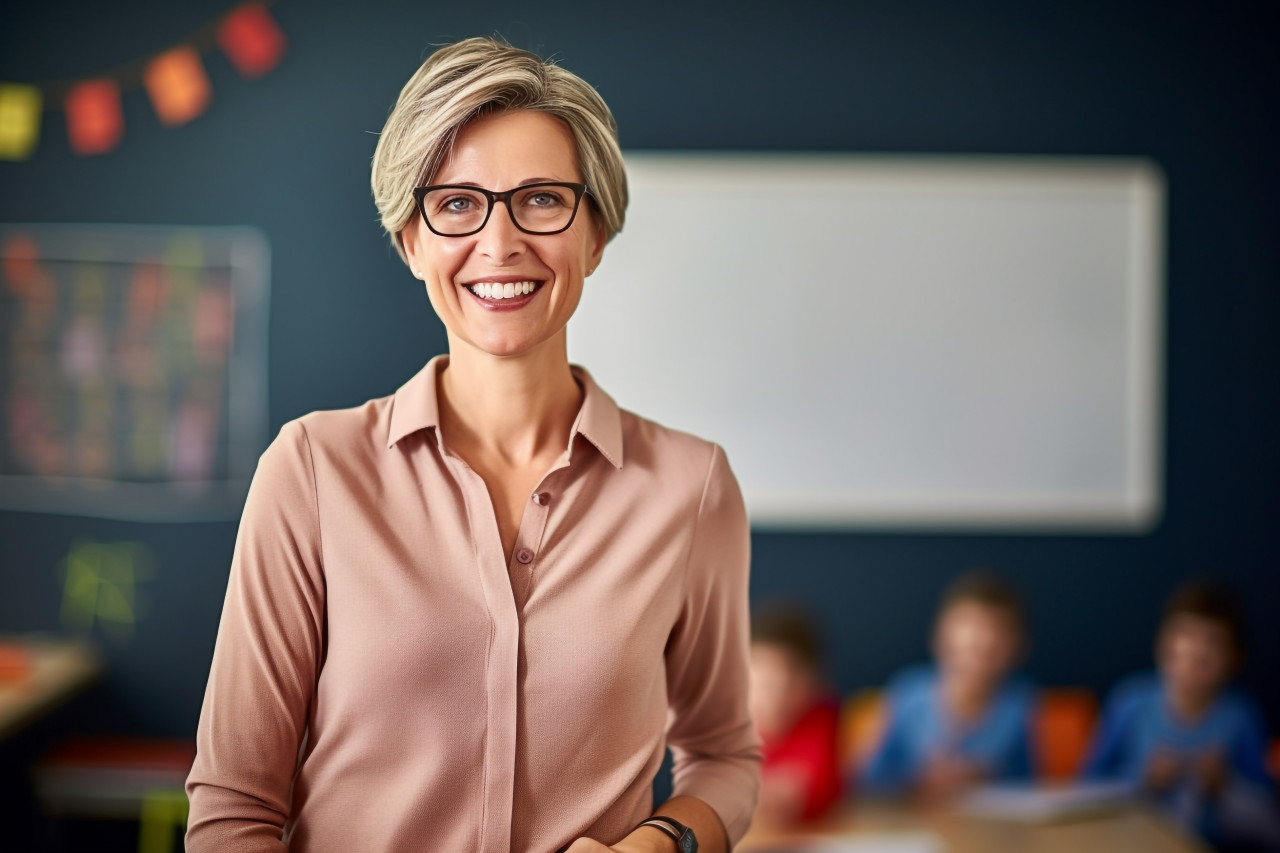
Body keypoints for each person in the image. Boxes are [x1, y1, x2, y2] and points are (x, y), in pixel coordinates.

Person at [185, 37, 760, 853]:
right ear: (410, 239)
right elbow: (234, 809)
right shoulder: (312, 471)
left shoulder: (691, 485)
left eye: (541, 200)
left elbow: (725, 757)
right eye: (457, 203)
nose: (499, 242)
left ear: (594, 233)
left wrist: (663, 841)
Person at [1084, 581, 1280, 851]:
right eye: (1186, 634)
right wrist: (1143, 778)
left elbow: (1265, 809)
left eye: (1213, 640)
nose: (1196, 650)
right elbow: (1088, 786)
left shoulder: (1241, 714)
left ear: (1234, 657)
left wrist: (1224, 785)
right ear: (1163, 642)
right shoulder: (1129, 702)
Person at [860, 571, 1036, 801]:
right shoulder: (908, 694)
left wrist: (986, 776)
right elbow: (867, 780)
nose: (984, 640)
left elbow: (1031, 785)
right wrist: (916, 779)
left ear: (1019, 644)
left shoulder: (1020, 702)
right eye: (971, 626)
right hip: (914, 822)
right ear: (941, 636)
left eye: (998, 629)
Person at [748, 605, 843, 824]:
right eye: (765, 685)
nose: (777, 699)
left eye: (791, 685)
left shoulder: (823, 715)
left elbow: (824, 784)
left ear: (817, 681)